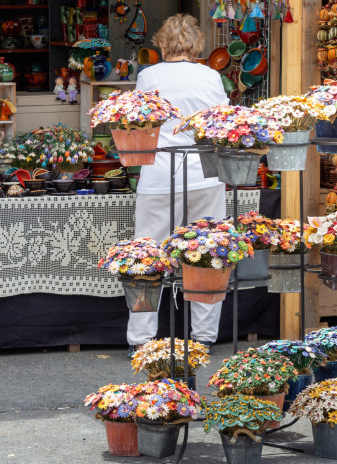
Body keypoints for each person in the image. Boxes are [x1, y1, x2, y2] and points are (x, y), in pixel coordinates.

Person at [128, 13, 228, 353]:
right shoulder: (210, 75)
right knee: (206, 252)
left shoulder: (149, 75)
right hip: (205, 171)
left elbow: (141, 122)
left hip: (158, 172)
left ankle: (141, 339)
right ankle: (203, 336)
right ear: (196, 43)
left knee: (147, 254)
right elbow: (221, 122)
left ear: (162, 42)